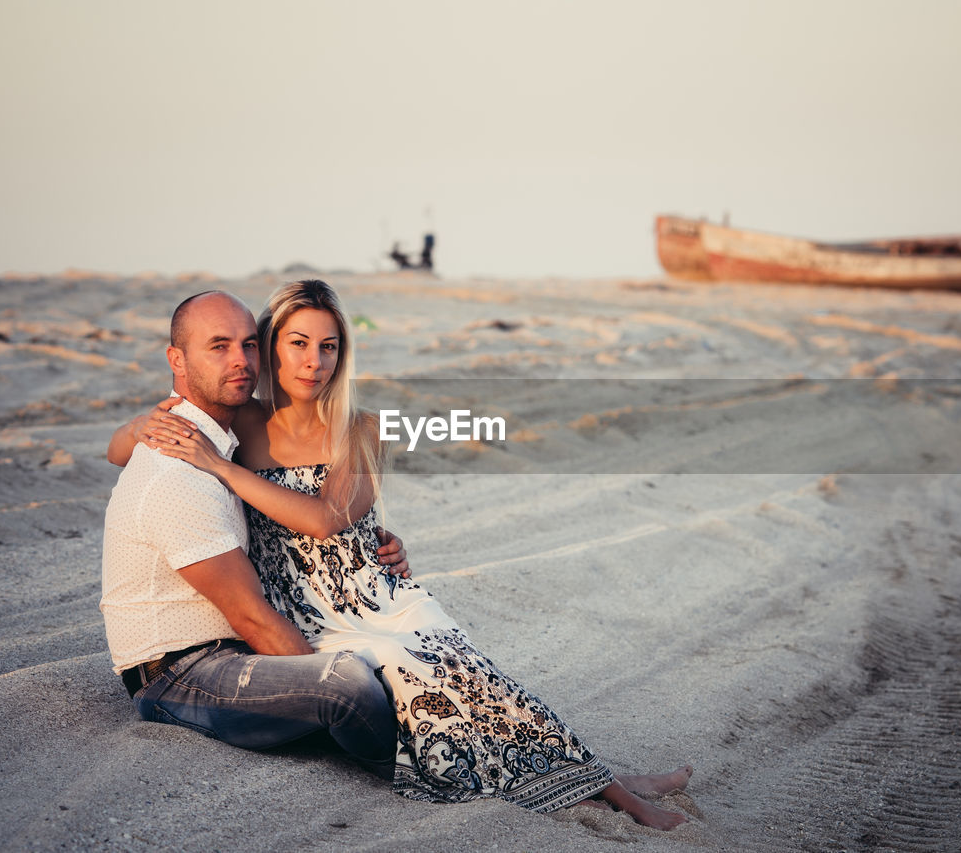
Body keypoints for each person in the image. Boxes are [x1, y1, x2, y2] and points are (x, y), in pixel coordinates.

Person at [110, 280, 691, 829]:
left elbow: (327, 518)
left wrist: (222, 470)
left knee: (471, 674)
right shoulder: (241, 418)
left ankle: (607, 783)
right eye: (298, 344)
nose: (315, 361)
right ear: (271, 351)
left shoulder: (359, 428)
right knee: (416, 681)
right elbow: (124, 448)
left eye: (330, 347)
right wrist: (140, 427)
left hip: (373, 593)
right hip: (310, 609)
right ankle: (589, 780)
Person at [99, 290, 413, 779]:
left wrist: (372, 542)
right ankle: (420, 768)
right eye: (219, 346)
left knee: (394, 659)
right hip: (182, 675)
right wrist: (316, 671)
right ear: (176, 360)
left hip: (237, 651)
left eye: (248, 345)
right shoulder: (177, 469)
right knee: (346, 683)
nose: (241, 361)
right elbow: (252, 617)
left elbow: (301, 502)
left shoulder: (223, 441)